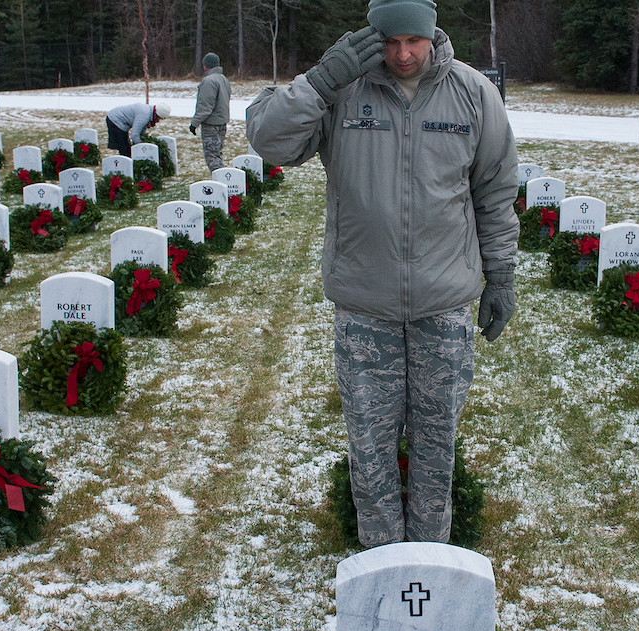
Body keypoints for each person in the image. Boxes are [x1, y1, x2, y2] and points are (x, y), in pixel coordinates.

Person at [245, 0, 518, 546]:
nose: (403, 54)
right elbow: (268, 140)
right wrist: (322, 80)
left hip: (443, 306)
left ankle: (430, 563)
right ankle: (382, 567)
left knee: (436, 446)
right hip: (365, 307)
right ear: (375, 37)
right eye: (390, 42)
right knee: (369, 449)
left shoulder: (471, 92)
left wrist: (502, 274)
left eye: (413, 41)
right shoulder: (344, 89)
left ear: (431, 34)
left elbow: (494, 189)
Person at [189, 52, 231, 172]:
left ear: (206, 65)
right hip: (222, 123)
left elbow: (205, 107)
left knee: (212, 157)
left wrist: (194, 123)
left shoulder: (208, 81)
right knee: (217, 153)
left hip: (211, 124)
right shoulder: (224, 79)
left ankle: (222, 182)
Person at [106, 102, 170, 157]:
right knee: (124, 149)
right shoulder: (145, 115)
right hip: (115, 119)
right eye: (160, 118)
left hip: (120, 120)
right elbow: (134, 134)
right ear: (157, 115)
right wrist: (142, 146)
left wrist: (144, 139)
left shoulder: (149, 112)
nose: (158, 121)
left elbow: (142, 129)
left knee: (126, 147)